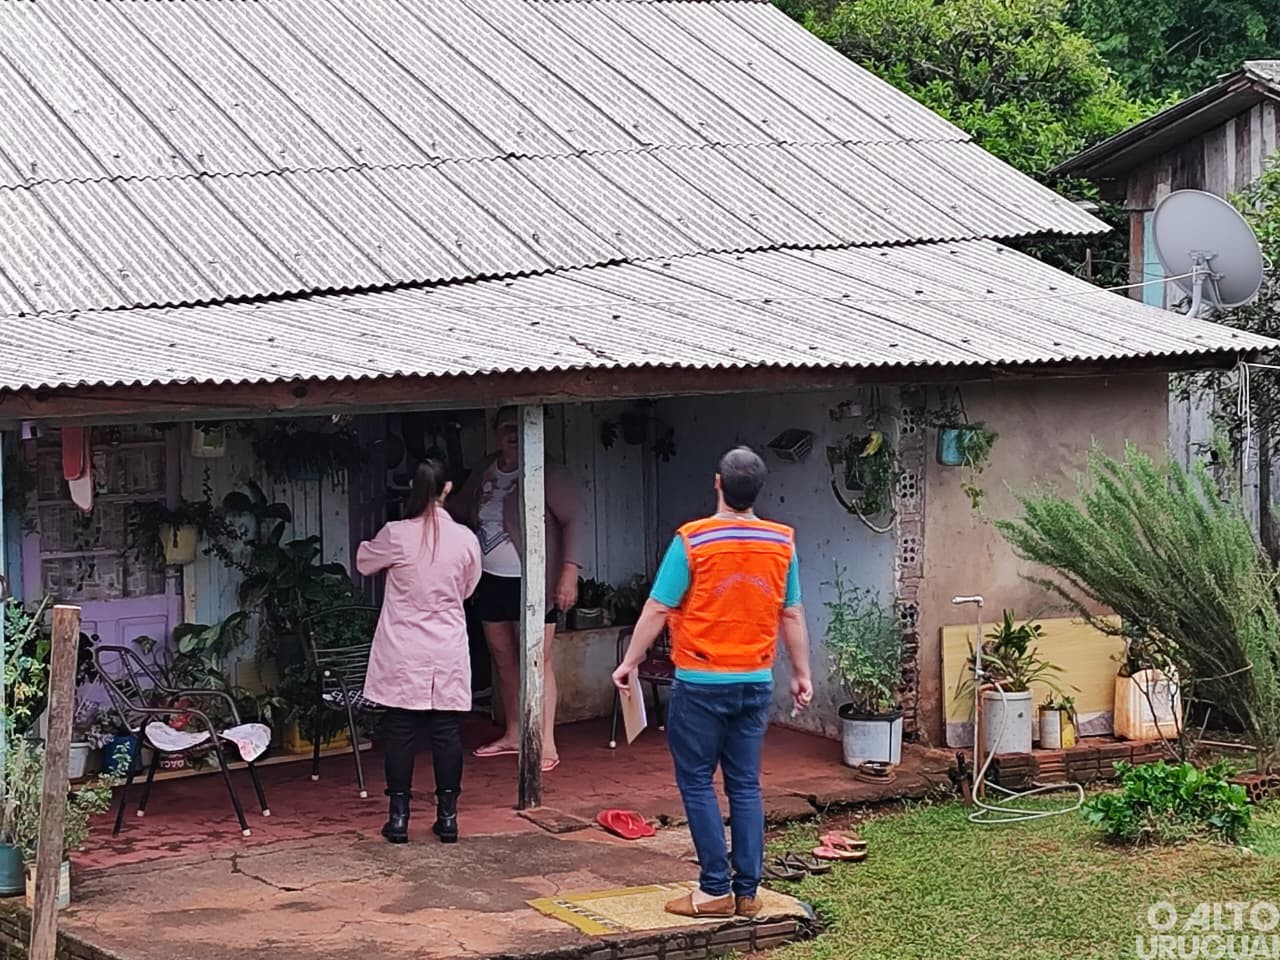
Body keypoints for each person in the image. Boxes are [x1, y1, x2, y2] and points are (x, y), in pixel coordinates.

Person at [612, 446, 813, 920]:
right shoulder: (782, 541)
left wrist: (630, 660)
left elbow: (659, 606)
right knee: (744, 785)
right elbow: (792, 612)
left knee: (698, 781)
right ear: (758, 490)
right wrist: (802, 672)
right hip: (755, 680)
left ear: (718, 483)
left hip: (701, 681)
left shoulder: (694, 540)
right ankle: (748, 892)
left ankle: (713, 890)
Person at [450, 406, 586, 772]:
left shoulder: (548, 470)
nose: (512, 433)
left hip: (535, 578)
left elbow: (574, 519)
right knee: (502, 657)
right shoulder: (486, 468)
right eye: (506, 427)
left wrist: (569, 572)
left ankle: (545, 741)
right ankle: (513, 732)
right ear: (495, 432)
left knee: (538, 659)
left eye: (519, 425)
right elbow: (461, 505)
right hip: (490, 577)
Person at [356, 459, 482, 845]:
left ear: (415, 487)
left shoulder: (396, 534)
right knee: (446, 731)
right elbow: (469, 587)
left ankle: (398, 819)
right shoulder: (465, 539)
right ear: (447, 489)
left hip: (403, 646)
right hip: (446, 645)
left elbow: (364, 562)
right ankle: (448, 818)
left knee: (400, 730)